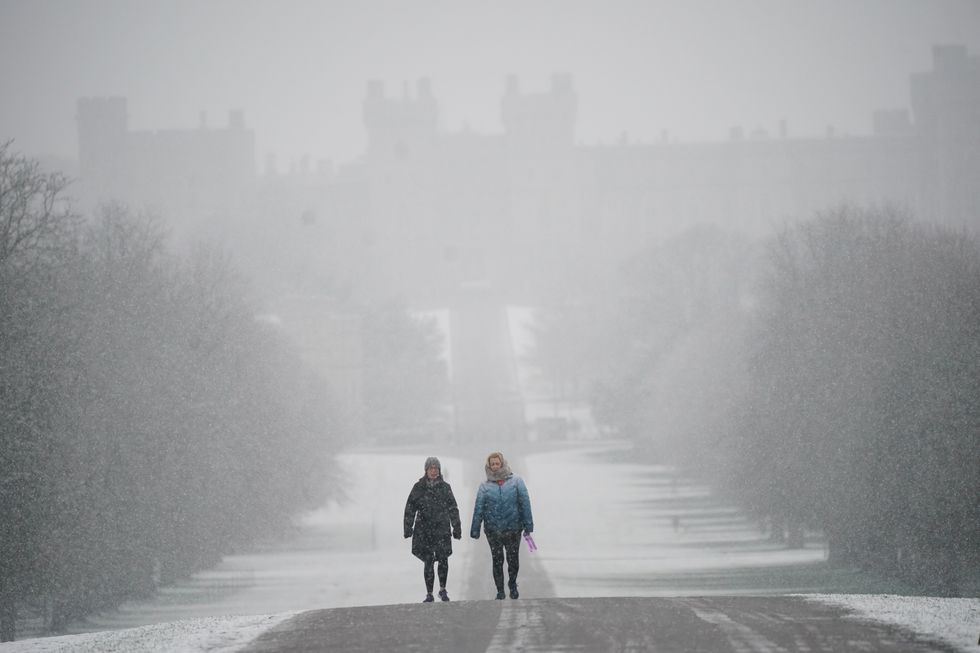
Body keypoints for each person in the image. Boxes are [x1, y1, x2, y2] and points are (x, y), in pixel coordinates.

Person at [470, 451, 534, 600]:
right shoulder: (484, 486)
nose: (495, 466)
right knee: (497, 560)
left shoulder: (517, 481)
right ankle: (500, 590)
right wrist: (475, 529)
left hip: (513, 528)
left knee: (513, 560)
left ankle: (512, 584)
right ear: (489, 466)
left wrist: (528, 525)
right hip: (493, 530)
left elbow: (525, 503)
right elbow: (479, 508)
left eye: (497, 463)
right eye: (492, 464)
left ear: (502, 463)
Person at [404, 456, 462, 602]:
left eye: (436, 468)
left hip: (442, 528)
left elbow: (453, 508)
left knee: (443, 559)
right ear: (426, 470)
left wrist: (456, 527)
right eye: (431, 468)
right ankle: (429, 593)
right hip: (424, 530)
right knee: (428, 561)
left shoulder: (445, 488)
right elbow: (410, 508)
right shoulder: (418, 487)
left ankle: (442, 589)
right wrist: (407, 527)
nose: (434, 471)